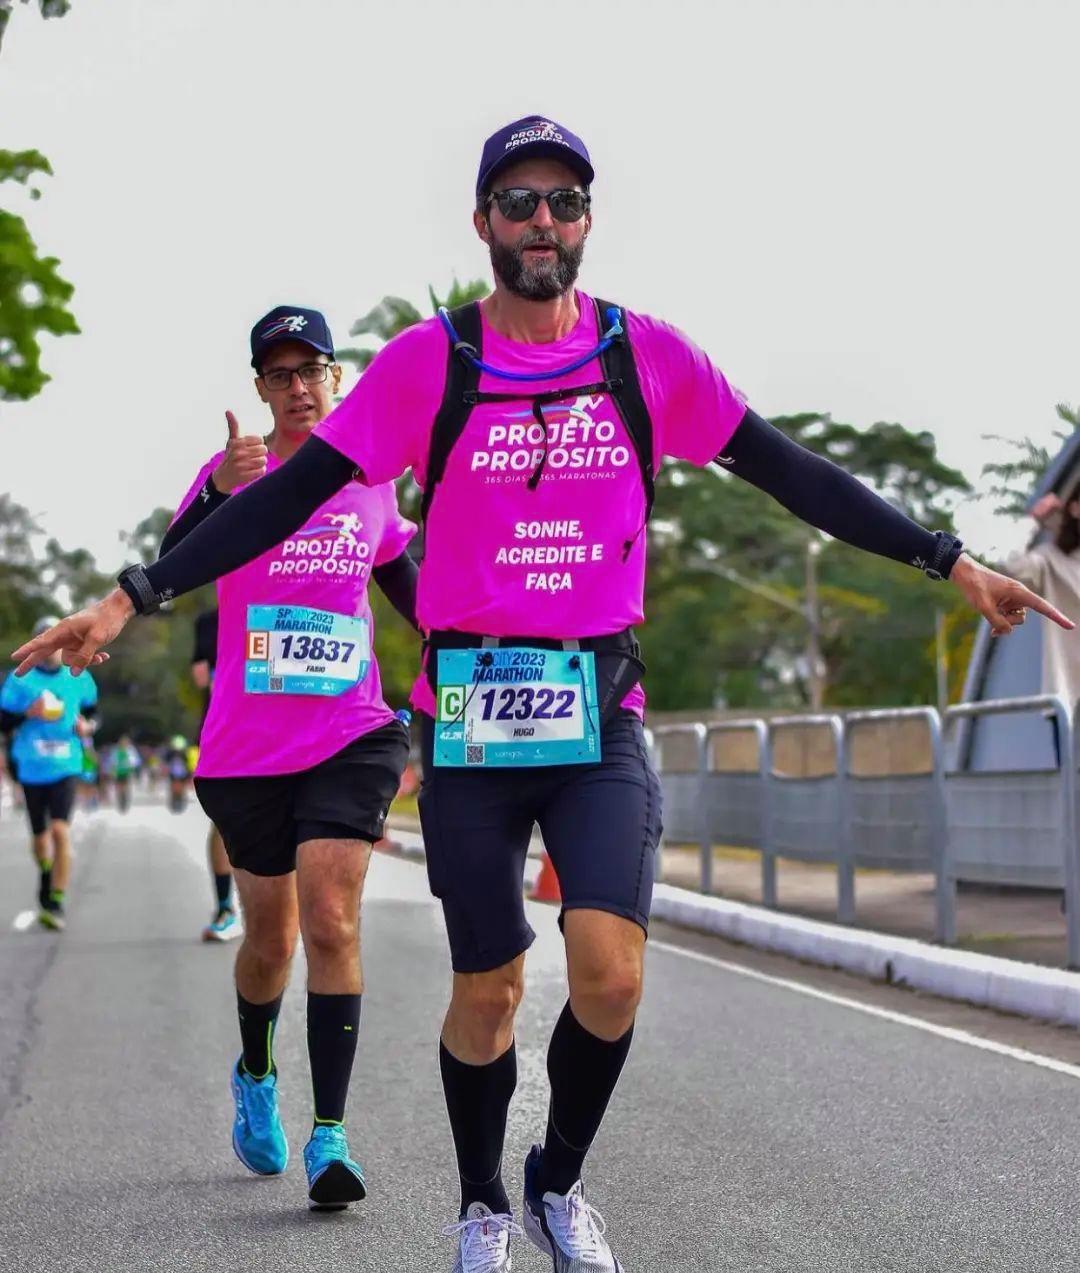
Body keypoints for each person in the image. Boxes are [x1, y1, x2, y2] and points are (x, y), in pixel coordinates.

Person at [12, 117, 1071, 1271]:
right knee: (491, 987)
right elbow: (286, 497)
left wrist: (949, 558)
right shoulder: (431, 363)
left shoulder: (644, 356)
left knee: (611, 977)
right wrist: (133, 595)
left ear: (586, 223)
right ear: (483, 224)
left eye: (564, 203)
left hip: (598, 710)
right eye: (518, 202)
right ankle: (478, 1205)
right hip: (466, 716)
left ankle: (555, 1180)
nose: (542, 223)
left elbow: (791, 471)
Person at [146, 303, 419, 1210]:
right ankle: (256, 1071)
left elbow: (404, 579)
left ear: (338, 378)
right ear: (260, 387)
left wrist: (477, 645)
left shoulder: (370, 477)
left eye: (314, 371)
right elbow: (169, 569)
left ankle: (331, 1135)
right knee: (269, 938)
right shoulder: (238, 474)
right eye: (280, 374)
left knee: (332, 918)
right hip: (247, 748)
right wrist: (222, 491)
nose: (299, 389)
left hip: (350, 734)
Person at [2, 615, 97, 930]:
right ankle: (46, 872)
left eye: (59, 638)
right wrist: (29, 713)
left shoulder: (78, 676)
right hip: (30, 766)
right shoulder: (20, 679)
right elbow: (3, 721)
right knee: (40, 839)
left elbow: (94, 713)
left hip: (66, 764)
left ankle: (55, 900)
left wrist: (88, 725)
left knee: (60, 831)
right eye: (46, 639)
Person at [1006, 487, 1080, 710]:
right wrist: (1033, 520)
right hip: (1073, 702)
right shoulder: (1051, 560)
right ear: (1075, 508)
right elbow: (1010, 565)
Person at [191, 608, 239, 942]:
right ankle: (226, 907)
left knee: (224, 822)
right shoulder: (209, 621)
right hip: (231, 726)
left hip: (227, 725)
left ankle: (225, 908)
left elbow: (200, 677)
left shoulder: (209, 620)